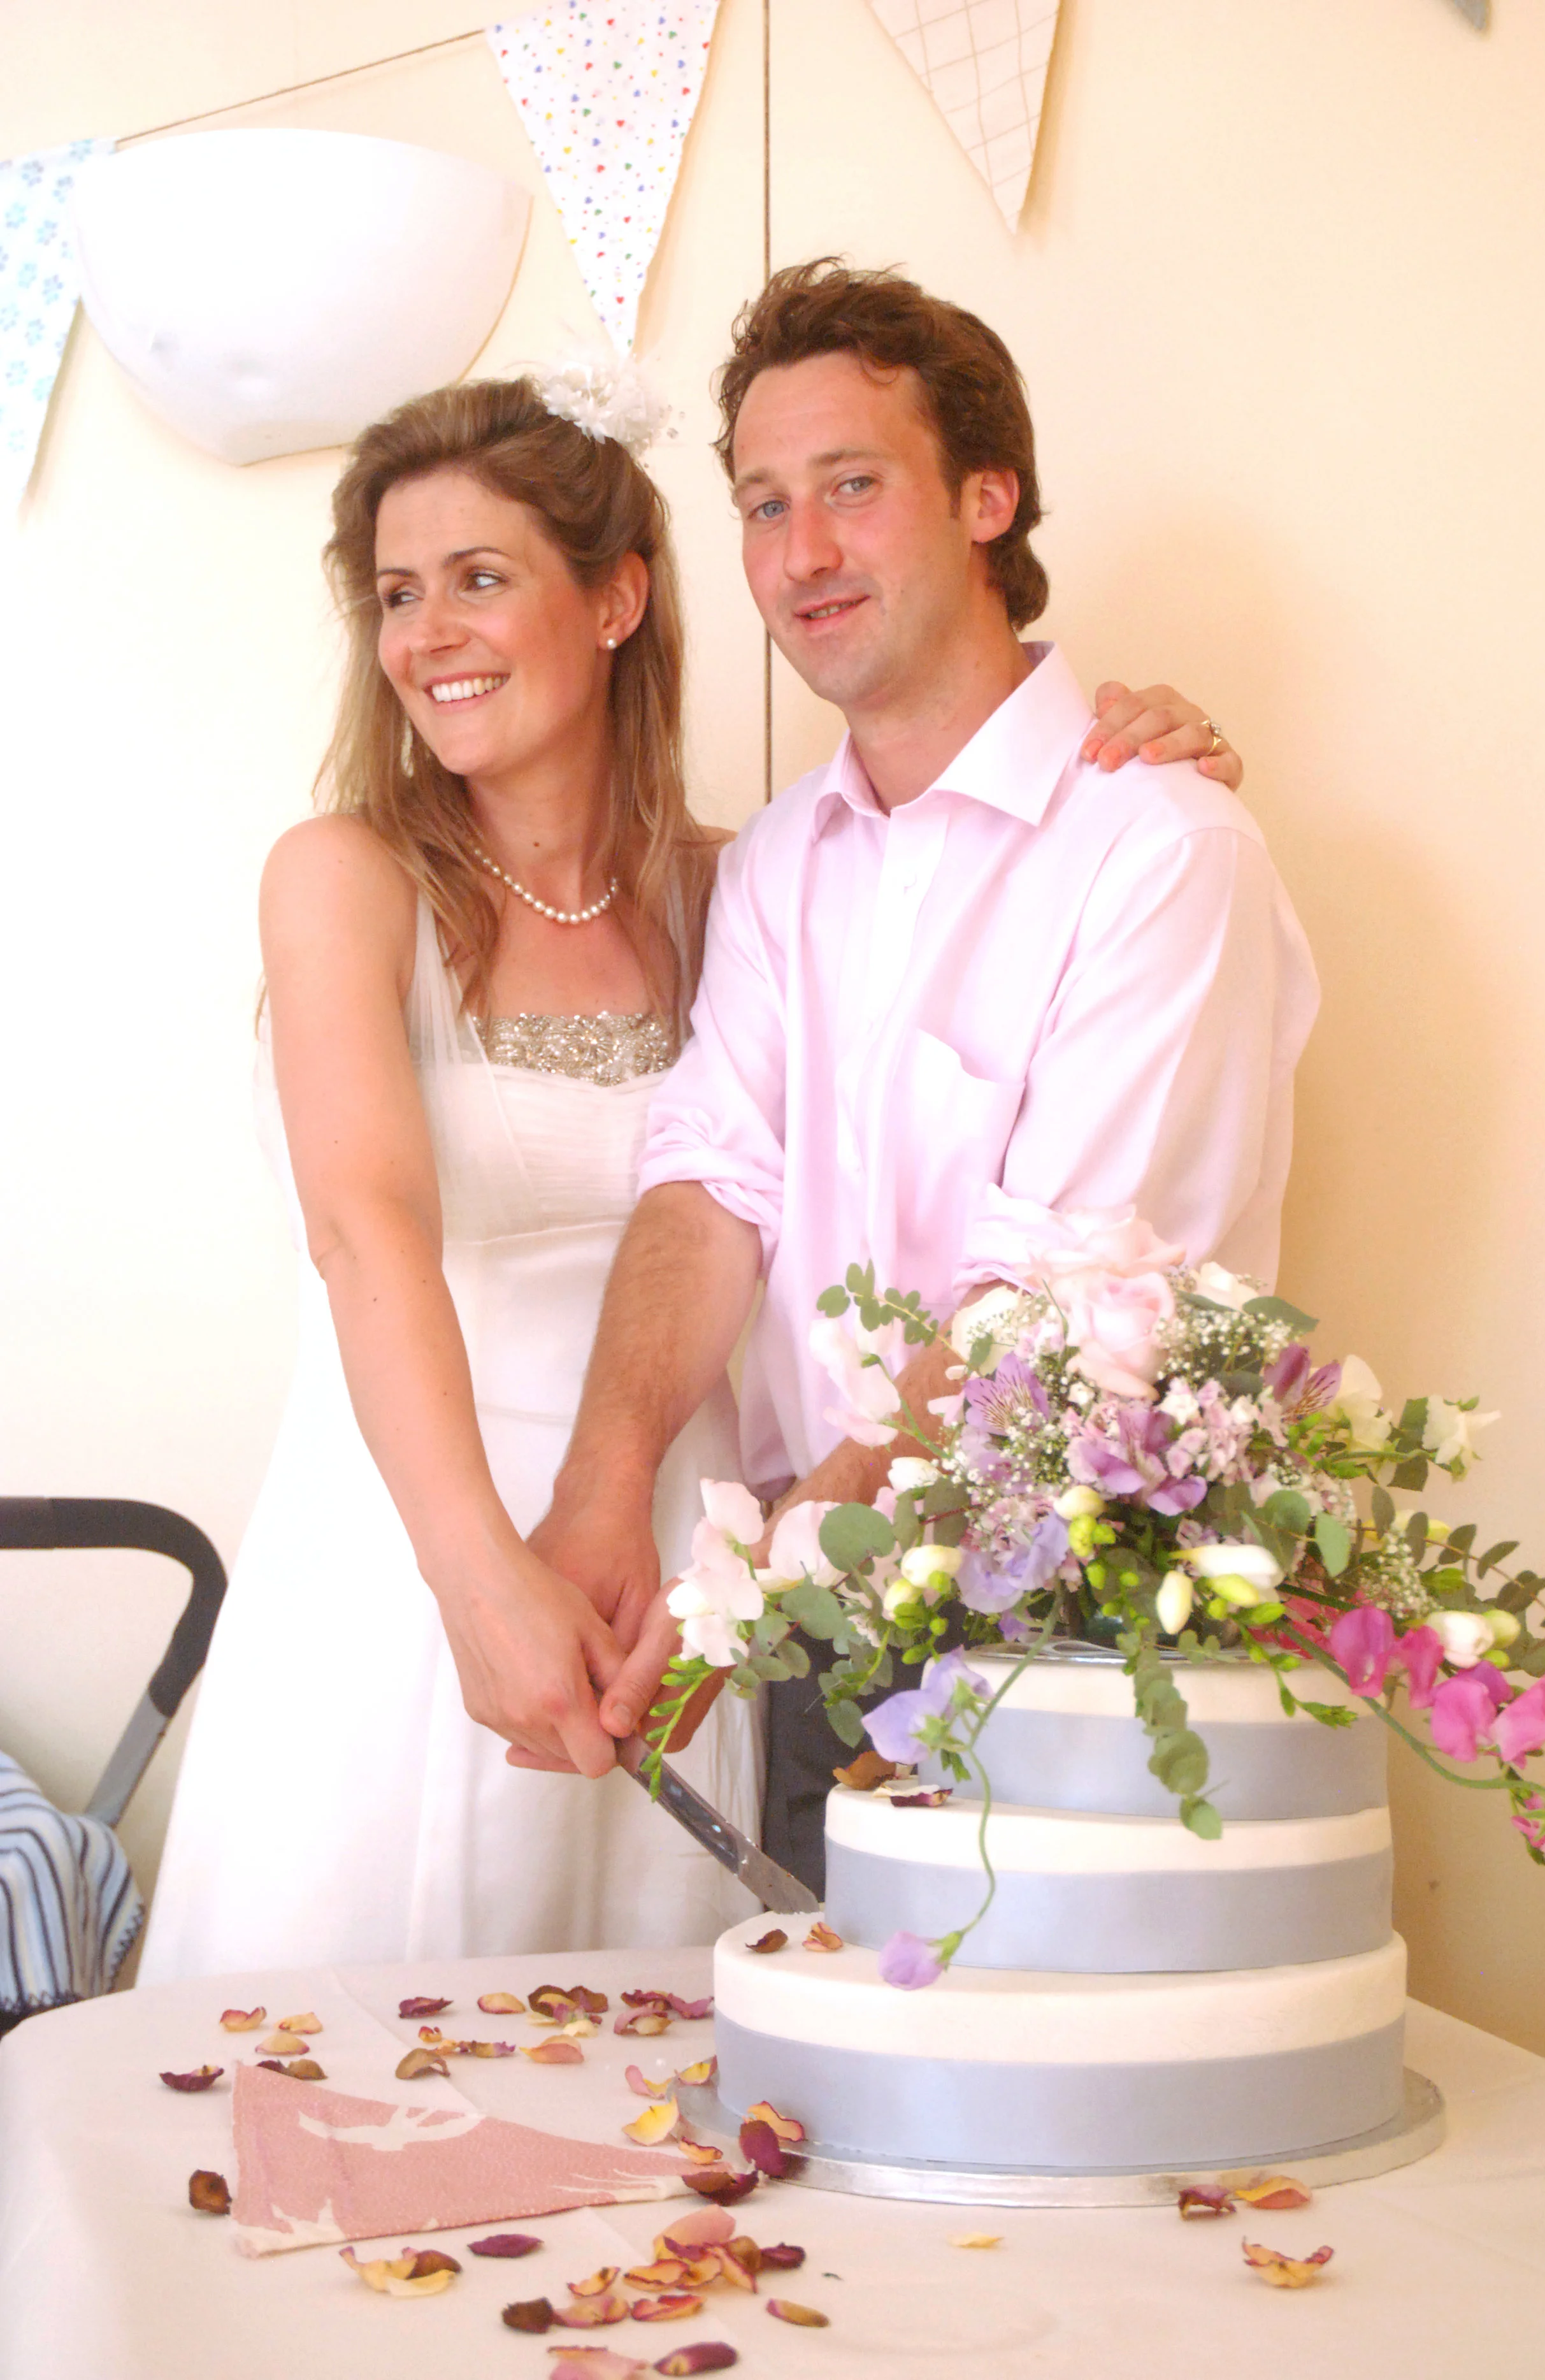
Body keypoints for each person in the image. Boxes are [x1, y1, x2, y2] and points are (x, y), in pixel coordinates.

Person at [140, 362, 1229, 1975]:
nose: (426, 633)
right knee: (337, 2049)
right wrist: (475, 1575)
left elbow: (835, 1151)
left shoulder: (756, 884)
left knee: (654, 2080)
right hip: (413, 1533)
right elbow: (365, 1233)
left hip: (680, 1554)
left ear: (614, 600)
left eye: (480, 579)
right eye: (394, 594)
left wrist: (1143, 745)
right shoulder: (342, 877)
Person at [527, 263, 1319, 1894]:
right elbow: (710, 1182)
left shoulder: (1159, 852)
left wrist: (758, 1579)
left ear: (985, 495)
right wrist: (601, 1493)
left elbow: (1054, 1313)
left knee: (1077, 2130)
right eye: (759, 504)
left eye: (849, 487)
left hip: (1091, 1636)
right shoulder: (773, 872)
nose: (799, 552)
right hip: (832, 1629)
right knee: (841, 2128)